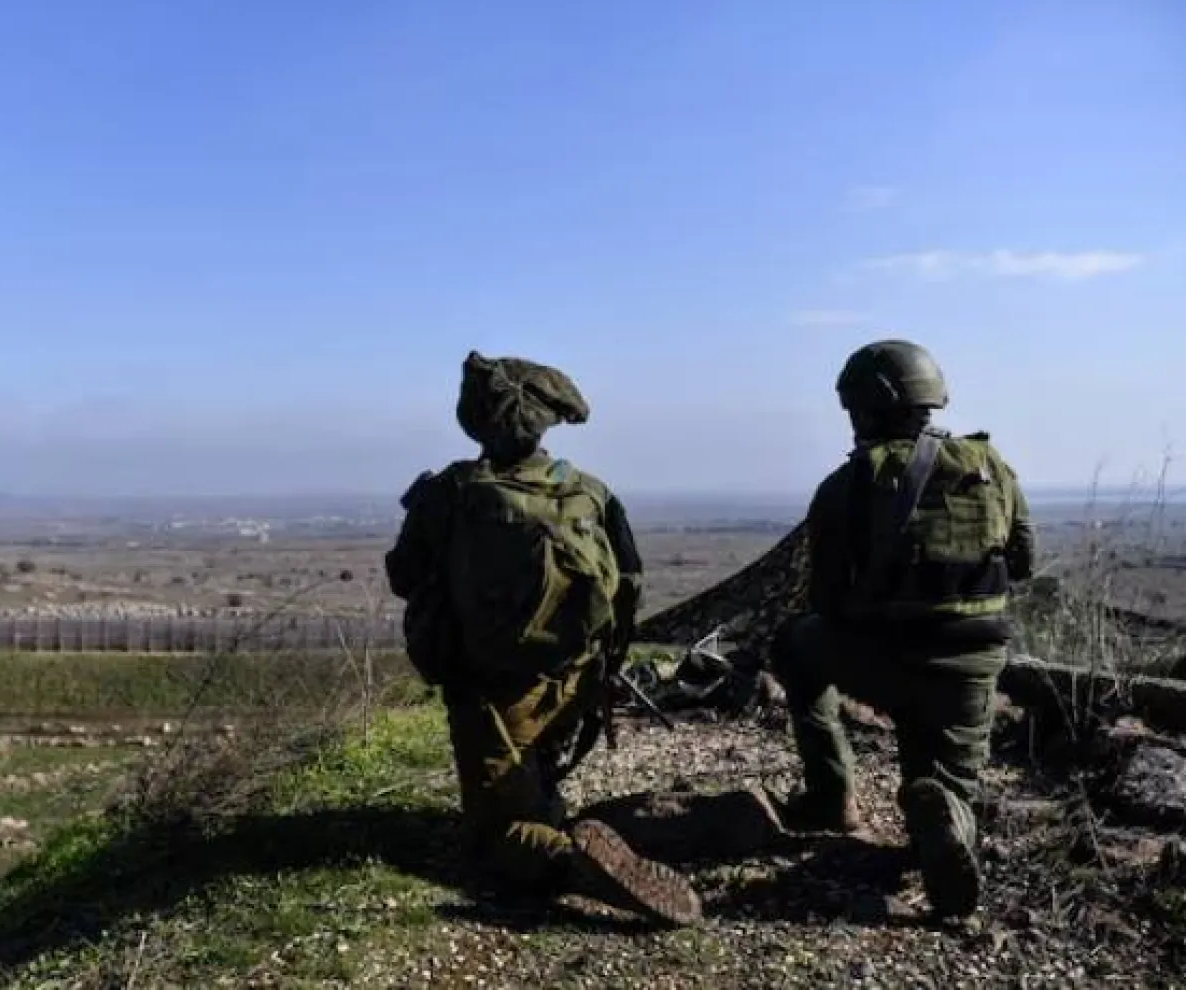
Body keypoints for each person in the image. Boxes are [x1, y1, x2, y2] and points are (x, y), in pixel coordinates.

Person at [384, 350, 702, 927]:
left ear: (476, 420)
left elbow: (405, 576)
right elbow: (629, 582)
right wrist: (603, 670)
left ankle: (569, 860)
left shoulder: (452, 492)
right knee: (537, 781)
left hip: (492, 694)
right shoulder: (589, 490)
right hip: (576, 680)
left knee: (490, 842)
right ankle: (691, 821)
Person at [770, 339, 1036, 920]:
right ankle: (946, 811)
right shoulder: (992, 469)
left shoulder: (845, 486)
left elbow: (827, 599)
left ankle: (829, 797)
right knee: (949, 778)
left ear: (862, 407)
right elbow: (1022, 562)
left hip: (882, 658)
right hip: (972, 665)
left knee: (794, 646)